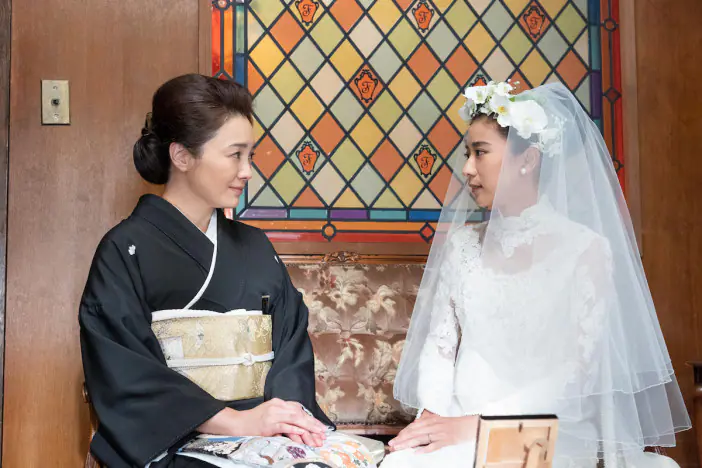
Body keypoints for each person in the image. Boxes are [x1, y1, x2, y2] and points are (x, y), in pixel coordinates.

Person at [383, 82, 691, 467]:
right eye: (467, 154)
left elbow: (577, 373)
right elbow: (440, 348)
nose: (467, 169)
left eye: (480, 152)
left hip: (543, 432)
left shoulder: (586, 250)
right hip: (455, 424)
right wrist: (433, 417)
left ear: (527, 160)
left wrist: (478, 426)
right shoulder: (462, 245)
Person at [79, 74, 373, 468]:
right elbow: (127, 374)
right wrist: (234, 421)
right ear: (182, 156)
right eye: (235, 155)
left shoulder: (255, 246)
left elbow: (290, 344)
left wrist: (281, 418)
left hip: (265, 433)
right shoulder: (124, 251)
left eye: (250, 155)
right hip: (176, 440)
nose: (247, 171)